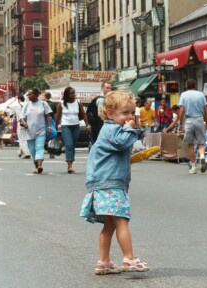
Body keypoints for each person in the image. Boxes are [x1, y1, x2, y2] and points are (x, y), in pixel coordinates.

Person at [79, 90, 148, 275]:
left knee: (109, 225)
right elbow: (123, 142)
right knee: (122, 220)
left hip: (103, 183)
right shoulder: (111, 130)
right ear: (110, 114)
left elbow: (130, 139)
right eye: (125, 113)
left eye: (132, 112)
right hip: (110, 184)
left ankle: (104, 261)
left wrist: (135, 127)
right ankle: (129, 258)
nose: (129, 117)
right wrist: (130, 127)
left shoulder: (114, 128)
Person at [55, 87, 90, 173]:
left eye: (74, 93)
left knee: (73, 145)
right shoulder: (61, 104)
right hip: (65, 126)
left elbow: (84, 114)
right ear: (67, 94)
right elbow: (58, 116)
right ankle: (69, 165)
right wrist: (55, 126)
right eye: (72, 93)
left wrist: (87, 125)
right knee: (69, 145)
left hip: (76, 126)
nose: (74, 95)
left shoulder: (78, 103)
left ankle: (71, 161)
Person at [178, 79, 207, 174]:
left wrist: (181, 123)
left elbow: (182, 110)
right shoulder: (201, 95)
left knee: (190, 144)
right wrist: (206, 121)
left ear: (186, 86)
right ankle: (202, 157)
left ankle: (193, 167)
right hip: (199, 119)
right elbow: (205, 110)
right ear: (195, 86)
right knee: (201, 143)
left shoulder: (183, 95)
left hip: (189, 120)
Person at [19, 88, 52, 174]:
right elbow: (21, 116)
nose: (28, 96)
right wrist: (24, 123)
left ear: (36, 94)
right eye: (28, 95)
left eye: (30, 94)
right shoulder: (27, 105)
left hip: (41, 131)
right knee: (32, 150)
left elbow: (47, 116)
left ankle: (40, 165)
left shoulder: (43, 104)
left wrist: (49, 127)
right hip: (29, 131)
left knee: (39, 147)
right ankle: (37, 166)